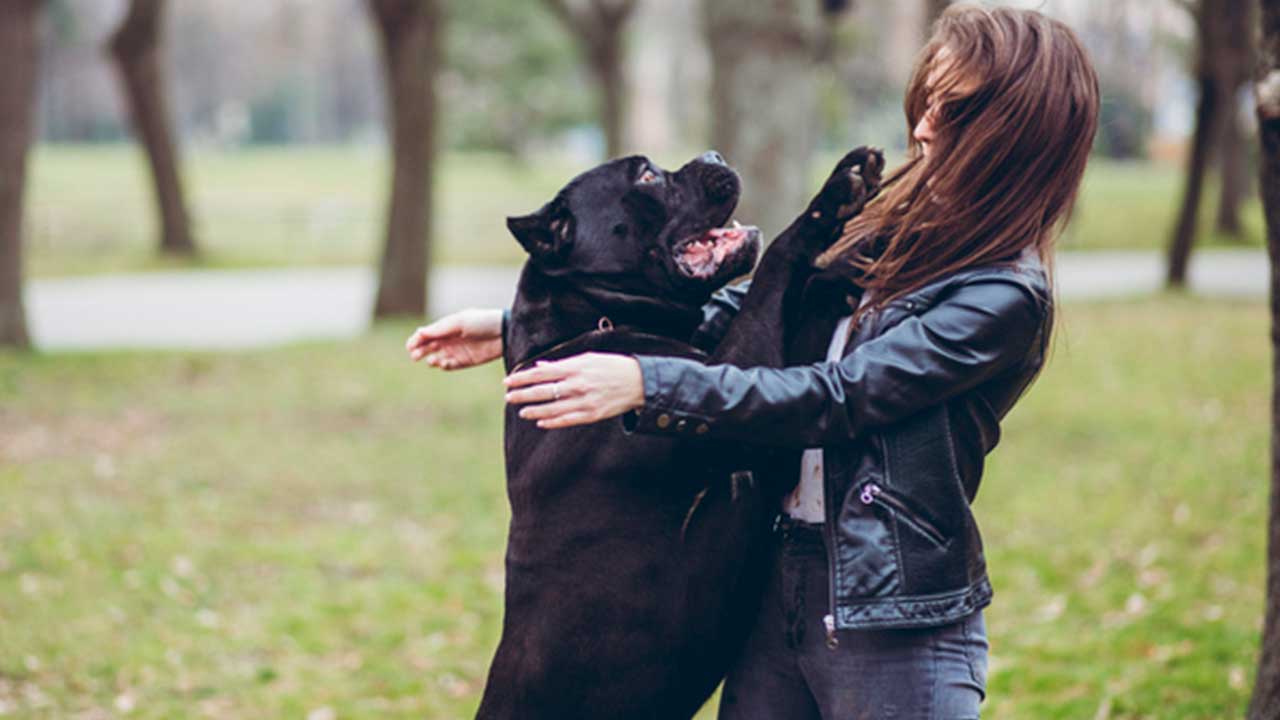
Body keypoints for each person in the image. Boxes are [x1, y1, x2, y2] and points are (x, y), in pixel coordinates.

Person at [407, 5, 1099, 717]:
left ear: (1014, 134)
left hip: (890, 624)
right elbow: (757, 321)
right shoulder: (895, 233)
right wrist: (528, 327)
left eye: (950, 110)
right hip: (779, 593)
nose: (922, 127)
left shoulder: (1002, 296)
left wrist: (647, 383)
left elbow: (836, 397)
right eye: (924, 100)